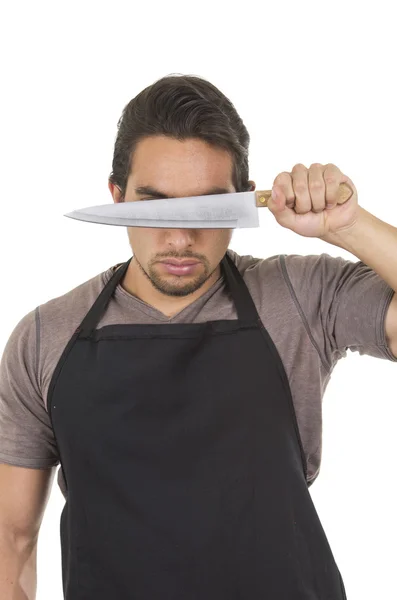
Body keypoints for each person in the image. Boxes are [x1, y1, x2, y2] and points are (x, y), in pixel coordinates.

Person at [1, 74, 396, 600]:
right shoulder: (46, 336)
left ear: (241, 201)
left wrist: (348, 226)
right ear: (117, 198)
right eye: (155, 205)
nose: (181, 238)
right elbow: (12, 540)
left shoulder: (298, 296)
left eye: (208, 208)